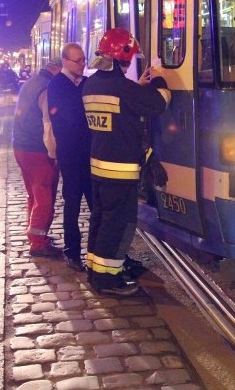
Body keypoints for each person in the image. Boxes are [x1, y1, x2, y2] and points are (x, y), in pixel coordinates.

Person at [82, 28, 171, 296]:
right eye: (131, 57)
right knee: (119, 224)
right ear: (123, 55)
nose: (131, 62)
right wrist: (158, 81)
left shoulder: (92, 84)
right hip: (120, 170)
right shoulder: (122, 88)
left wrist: (137, 88)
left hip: (98, 166)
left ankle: (95, 268)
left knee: (100, 219)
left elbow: (122, 104)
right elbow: (159, 103)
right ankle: (108, 280)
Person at [47, 42, 93, 272]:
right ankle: (72, 251)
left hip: (89, 154)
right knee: (73, 204)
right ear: (65, 61)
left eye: (84, 59)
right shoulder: (57, 85)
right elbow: (70, 118)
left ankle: (96, 252)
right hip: (71, 155)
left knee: (96, 204)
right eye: (78, 60)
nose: (82, 64)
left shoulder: (85, 82)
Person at [12, 59, 62, 258]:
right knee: (44, 196)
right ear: (57, 69)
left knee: (33, 194)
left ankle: (34, 233)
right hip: (37, 150)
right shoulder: (47, 88)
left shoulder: (31, 82)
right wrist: (54, 154)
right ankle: (39, 243)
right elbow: (48, 125)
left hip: (21, 147)